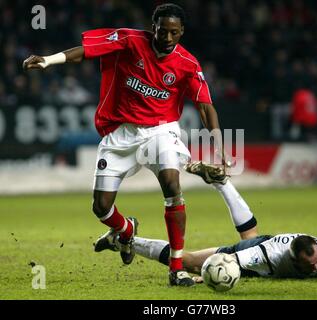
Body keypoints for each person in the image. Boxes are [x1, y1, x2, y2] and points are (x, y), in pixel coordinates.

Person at [22, 3, 226, 287]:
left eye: (174, 33)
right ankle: (126, 230)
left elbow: (205, 107)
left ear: (182, 32)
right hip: (121, 132)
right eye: (163, 31)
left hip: (160, 130)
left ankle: (176, 269)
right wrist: (48, 60)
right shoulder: (129, 40)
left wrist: (218, 143)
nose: (167, 39)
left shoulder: (187, 64)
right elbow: (86, 52)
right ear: (153, 27)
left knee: (171, 183)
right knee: (101, 207)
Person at [132, 163, 317, 281]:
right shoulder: (268, 256)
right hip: (254, 251)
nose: (316, 269)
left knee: (252, 234)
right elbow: (226, 264)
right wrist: (206, 276)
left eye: (316, 263)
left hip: (264, 243)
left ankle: (222, 183)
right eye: (310, 266)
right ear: (293, 260)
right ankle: (127, 239)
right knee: (190, 261)